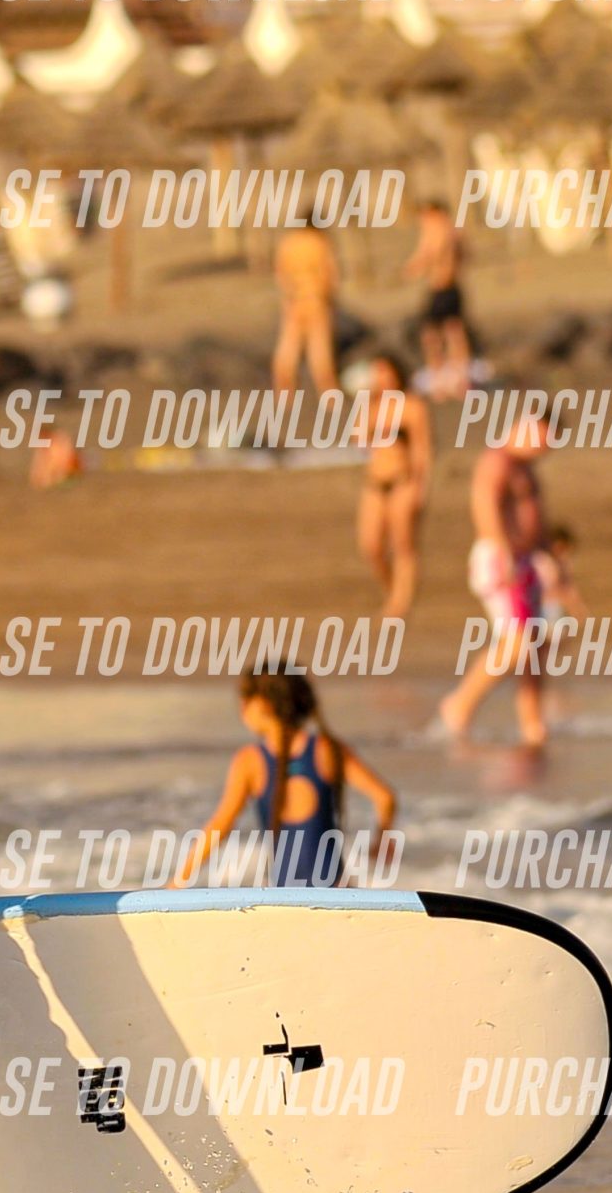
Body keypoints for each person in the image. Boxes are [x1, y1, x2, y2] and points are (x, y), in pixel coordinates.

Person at [168, 669, 397, 889]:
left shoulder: (251, 761)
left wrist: (178, 882)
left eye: (246, 700)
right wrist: (382, 838)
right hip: (335, 893)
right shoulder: (326, 750)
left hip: (282, 898)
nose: (242, 708)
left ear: (265, 704)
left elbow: (220, 826)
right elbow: (384, 797)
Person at [438, 412, 555, 747]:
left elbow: (535, 516)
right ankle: (460, 704)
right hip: (502, 560)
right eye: (542, 438)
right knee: (518, 642)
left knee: (536, 645)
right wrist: (503, 551)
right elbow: (485, 504)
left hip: (526, 561)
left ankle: (532, 722)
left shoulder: (524, 467)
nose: (544, 447)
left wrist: (549, 556)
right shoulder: (497, 461)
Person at [355, 354, 432, 618]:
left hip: (403, 482)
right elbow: (359, 440)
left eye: (385, 372)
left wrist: (421, 486)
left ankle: (400, 604)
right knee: (371, 546)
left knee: (403, 545)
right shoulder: (370, 405)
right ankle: (393, 592)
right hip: (374, 484)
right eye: (377, 373)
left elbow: (422, 450)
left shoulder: (412, 406)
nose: (382, 379)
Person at [403, 199, 470, 398]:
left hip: (440, 289)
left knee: (431, 336)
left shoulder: (437, 229)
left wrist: (412, 269)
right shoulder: (455, 231)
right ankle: (461, 380)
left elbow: (430, 252)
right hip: (454, 287)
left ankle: (440, 381)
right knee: (454, 332)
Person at [271, 222, 339, 393]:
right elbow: (329, 275)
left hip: (293, 302)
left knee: (287, 352)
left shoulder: (288, 242)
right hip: (316, 302)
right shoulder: (320, 243)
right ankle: (328, 395)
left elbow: (280, 274)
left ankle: (284, 393)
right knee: (320, 354)